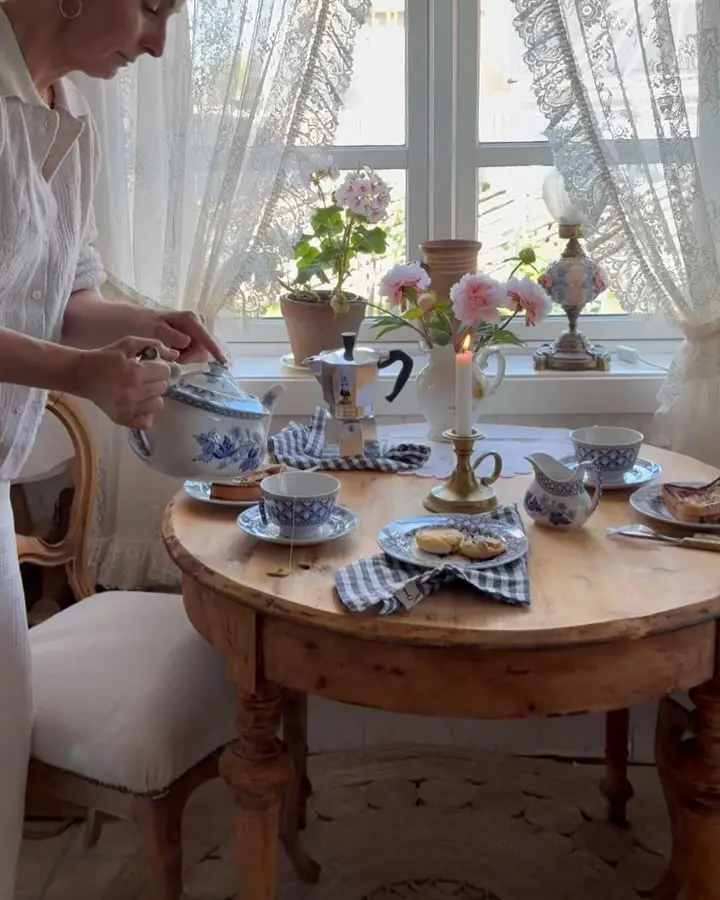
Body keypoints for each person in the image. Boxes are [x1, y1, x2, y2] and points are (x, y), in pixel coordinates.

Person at [0, 0, 223, 893]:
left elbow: (64, 296)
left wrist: (145, 324)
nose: (158, 42)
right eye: (153, 8)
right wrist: (85, 376)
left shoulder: (68, 118)